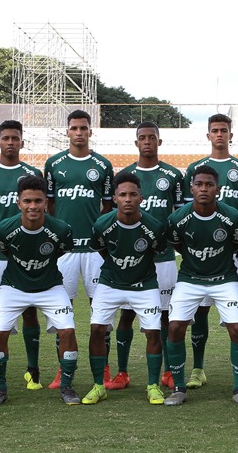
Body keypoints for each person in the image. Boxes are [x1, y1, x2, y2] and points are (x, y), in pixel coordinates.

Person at [0, 175, 79, 407]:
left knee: (67, 331)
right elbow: (6, 251)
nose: (33, 206)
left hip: (50, 287)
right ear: (18, 203)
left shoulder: (62, 229)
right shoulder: (3, 229)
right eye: (27, 201)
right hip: (13, 287)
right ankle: (0, 388)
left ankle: (66, 385)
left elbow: (61, 251)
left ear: (45, 202)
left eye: (37, 201)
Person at [163, 165, 238, 406]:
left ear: (218, 189)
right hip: (190, 279)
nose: (204, 189)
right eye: (199, 184)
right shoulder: (177, 218)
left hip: (225, 279)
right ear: (191, 188)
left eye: (209, 185)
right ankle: (179, 389)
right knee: (174, 328)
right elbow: (178, 245)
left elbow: (236, 247)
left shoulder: (233, 218)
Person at [181, 114, 238, 390]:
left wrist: (233, 236)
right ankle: (198, 368)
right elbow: (187, 211)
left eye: (224, 130)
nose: (220, 134)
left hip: (233, 248)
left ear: (231, 135)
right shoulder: (195, 168)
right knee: (200, 310)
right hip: (201, 252)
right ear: (208, 135)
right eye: (215, 130)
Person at [82, 172, 168, 406]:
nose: (127, 198)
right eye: (122, 195)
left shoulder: (154, 226)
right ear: (115, 198)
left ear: (141, 197)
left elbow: (155, 252)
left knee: (152, 331)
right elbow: (102, 250)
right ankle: (99, 385)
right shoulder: (102, 224)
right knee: (98, 329)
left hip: (144, 284)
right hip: (110, 282)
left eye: (132, 194)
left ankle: (152, 386)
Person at [0, 120, 44, 392]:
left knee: (29, 309)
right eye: (6, 138)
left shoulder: (32, 173)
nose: (10, 142)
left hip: (25, 253)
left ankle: (33, 370)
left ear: (22, 142)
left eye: (15, 138)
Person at [110, 122, 184, 390]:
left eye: (152, 137)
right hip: (130, 260)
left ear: (159, 142)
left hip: (163, 258)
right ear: (136, 142)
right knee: (126, 315)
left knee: (164, 316)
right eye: (142, 138)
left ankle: (167, 371)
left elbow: (179, 217)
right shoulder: (125, 174)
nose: (147, 142)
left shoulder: (173, 176)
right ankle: (122, 372)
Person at [44, 109, 114, 388]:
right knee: (63, 310)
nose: (79, 132)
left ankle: (104, 368)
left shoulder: (103, 165)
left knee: (102, 310)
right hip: (66, 251)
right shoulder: (54, 164)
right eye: (74, 128)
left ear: (90, 132)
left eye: (84, 128)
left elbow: (108, 205)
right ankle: (63, 369)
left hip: (94, 251)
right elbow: (49, 205)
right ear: (67, 132)